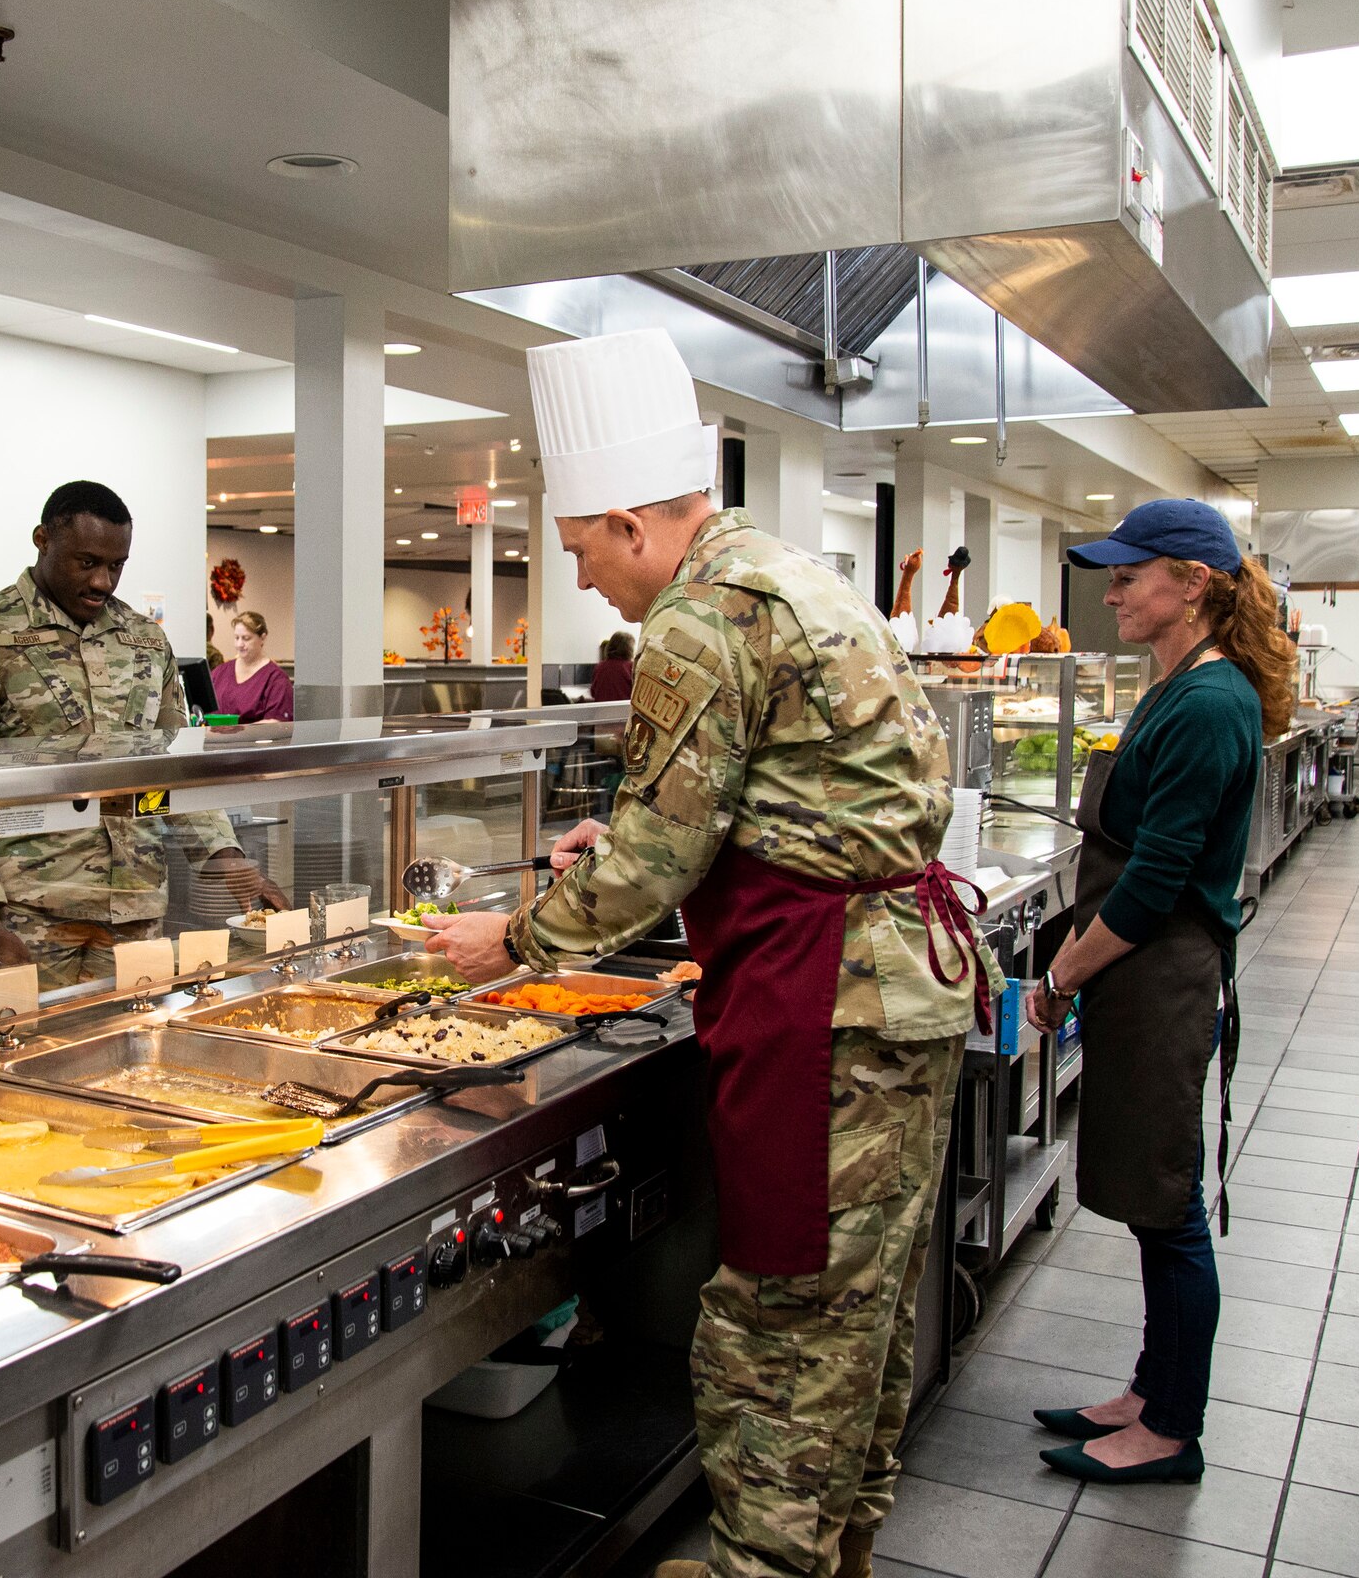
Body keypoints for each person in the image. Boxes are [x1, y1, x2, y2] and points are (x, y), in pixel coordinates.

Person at [422, 328, 996, 1578]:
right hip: (895, 982)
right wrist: (630, 842)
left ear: (630, 523)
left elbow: (662, 858)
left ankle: (764, 1567)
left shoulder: (696, 615)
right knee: (861, 1306)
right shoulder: (779, 573)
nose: (584, 583)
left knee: (780, 1317)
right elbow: (748, 805)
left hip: (830, 999)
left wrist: (506, 940)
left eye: (580, 550)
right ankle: (831, 1546)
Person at [1024, 500, 1292, 1486]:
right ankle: (1148, 1385)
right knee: (1149, 1202)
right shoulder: (1179, 684)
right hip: (1141, 974)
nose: (1110, 593)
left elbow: (1152, 883)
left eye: (1128, 576)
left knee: (1170, 1208)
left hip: (1164, 973)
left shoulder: (1209, 701)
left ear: (1190, 582)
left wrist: (1058, 971)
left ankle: (1169, 1427)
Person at [0, 480, 285, 988]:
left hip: (135, 905)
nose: (103, 582)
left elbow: (171, 767)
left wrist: (231, 862)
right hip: (27, 912)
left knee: (131, 1052)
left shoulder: (144, 640)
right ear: (42, 540)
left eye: (116, 566)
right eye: (86, 562)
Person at [215, 611, 294, 723]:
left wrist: (236, 731)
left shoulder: (276, 680)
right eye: (236, 638)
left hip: (252, 740)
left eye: (246, 638)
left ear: (262, 638)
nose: (239, 644)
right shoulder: (220, 672)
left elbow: (276, 724)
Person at [590, 631, 636, 701]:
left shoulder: (599, 667)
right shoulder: (631, 667)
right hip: (623, 710)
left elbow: (593, 692)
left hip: (601, 710)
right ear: (629, 649)